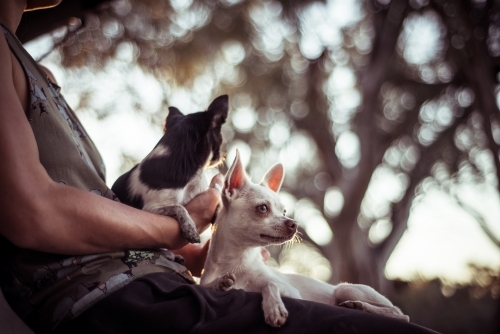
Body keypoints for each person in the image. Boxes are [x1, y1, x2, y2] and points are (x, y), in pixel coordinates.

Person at [0, 1, 439, 333]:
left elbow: (103, 222)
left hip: (157, 283)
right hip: (117, 296)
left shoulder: (34, 68)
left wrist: (194, 247)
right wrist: (183, 224)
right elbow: (33, 212)